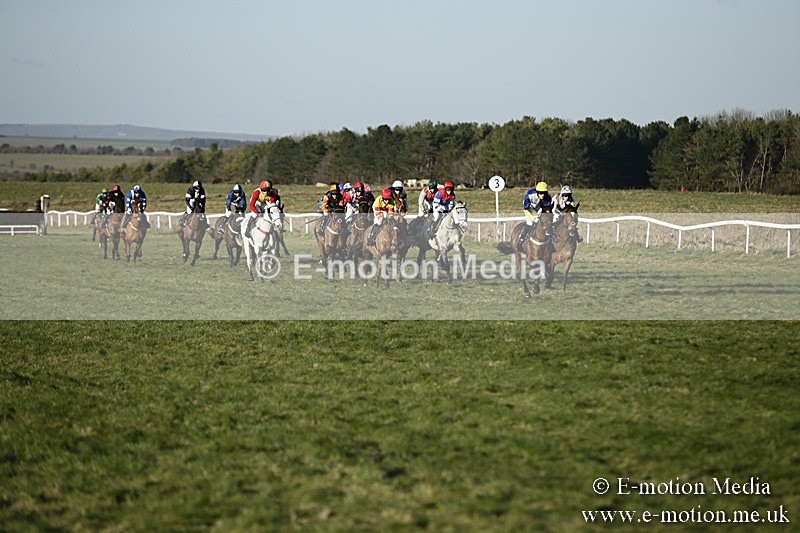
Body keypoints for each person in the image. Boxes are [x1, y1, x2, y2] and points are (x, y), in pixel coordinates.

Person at [516, 181, 553, 250]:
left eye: (544, 193)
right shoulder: (530, 195)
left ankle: (549, 241)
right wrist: (533, 218)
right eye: (541, 193)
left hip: (539, 206)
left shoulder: (548, 198)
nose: (543, 195)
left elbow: (545, 211)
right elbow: (526, 210)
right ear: (537, 192)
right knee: (529, 223)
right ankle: (520, 242)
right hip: (529, 206)